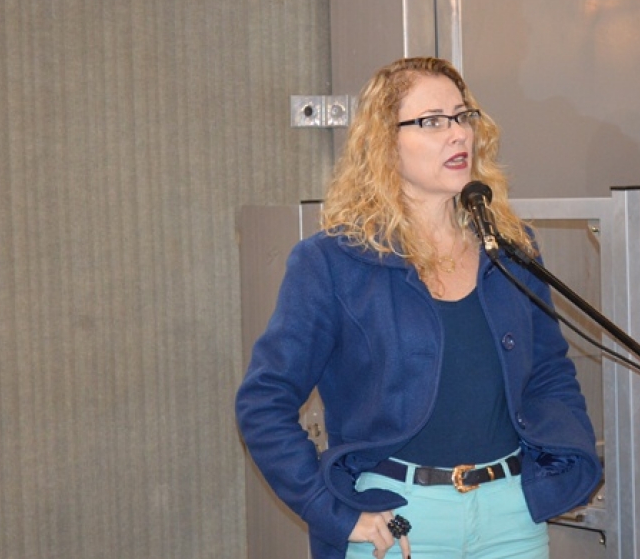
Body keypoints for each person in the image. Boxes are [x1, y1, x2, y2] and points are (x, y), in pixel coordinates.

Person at [235, 57, 601, 559]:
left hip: (512, 516)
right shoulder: (332, 261)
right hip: (398, 521)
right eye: (432, 121)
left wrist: (563, 460)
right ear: (384, 143)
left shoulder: (510, 247)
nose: (458, 134)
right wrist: (332, 510)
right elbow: (263, 402)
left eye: (463, 116)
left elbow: (549, 372)